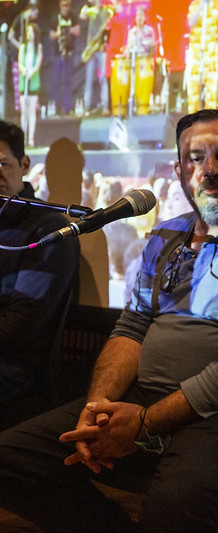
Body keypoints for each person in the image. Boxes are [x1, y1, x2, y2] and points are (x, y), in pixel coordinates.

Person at [0, 109, 218, 532]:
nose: (211, 169)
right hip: (147, 395)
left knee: (175, 503)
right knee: (9, 460)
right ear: (179, 170)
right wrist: (97, 410)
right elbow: (131, 330)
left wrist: (144, 424)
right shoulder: (166, 236)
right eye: (196, 158)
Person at [0, 120, 80, 430]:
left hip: (18, 370)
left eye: (3, 164)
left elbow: (20, 328)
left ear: (24, 165)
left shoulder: (48, 229)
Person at [185, 0, 218, 113]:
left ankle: (210, 121)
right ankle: (192, 120)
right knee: (193, 89)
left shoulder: (217, 5)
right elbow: (191, 22)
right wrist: (202, 4)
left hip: (211, 53)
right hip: (196, 53)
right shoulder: (195, 4)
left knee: (211, 90)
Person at [80, 0, 117, 115]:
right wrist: (87, 5)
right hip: (91, 48)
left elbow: (116, 11)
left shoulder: (107, 10)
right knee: (89, 78)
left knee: (103, 78)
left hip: (101, 48)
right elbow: (82, 16)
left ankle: (105, 105)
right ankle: (87, 106)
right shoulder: (91, 10)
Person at [49, 0, 81, 116]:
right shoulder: (55, 18)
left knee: (68, 81)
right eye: (63, 5)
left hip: (69, 52)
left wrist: (65, 30)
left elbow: (77, 31)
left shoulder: (73, 17)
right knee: (56, 81)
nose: (65, 8)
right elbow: (51, 35)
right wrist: (60, 33)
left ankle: (67, 107)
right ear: (60, 6)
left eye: (67, 5)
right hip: (58, 53)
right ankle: (54, 107)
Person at [17, 23, 42, 147]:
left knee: (32, 111)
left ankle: (31, 138)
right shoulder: (23, 47)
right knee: (24, 111)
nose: (29, 34)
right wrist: (24, 71)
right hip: (24, 83)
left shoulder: (39, 48)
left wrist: (31, 72)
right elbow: (20, 63)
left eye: (32, 32)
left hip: (33, 83)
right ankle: (23, 137)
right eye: (28, 32)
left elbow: (38, 63)